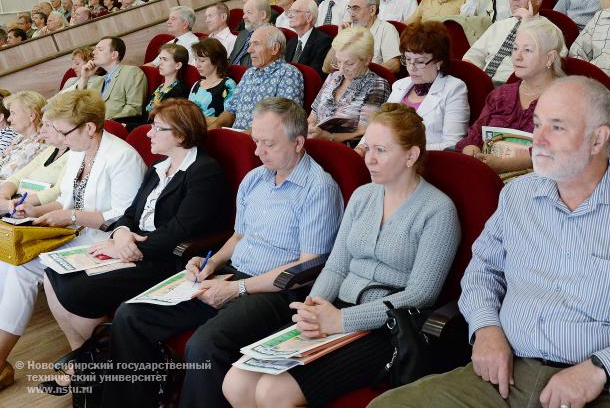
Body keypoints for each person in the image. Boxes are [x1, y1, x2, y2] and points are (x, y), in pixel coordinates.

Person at [371, 75, 610, 408]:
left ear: (598, 140)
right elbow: (483, 272)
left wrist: (601, 368)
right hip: (508, 374)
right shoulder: (517, 196)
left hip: (608, 388)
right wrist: (486, 328)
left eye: (557, 127)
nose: (537, 139)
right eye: (537, 124)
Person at [101, 97, 343, 408]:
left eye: (268, 144)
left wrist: (236, 288)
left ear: (298, 142)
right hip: (232, 276)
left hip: (276, 292)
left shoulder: (318, 189)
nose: (257, 152)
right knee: (131, 314)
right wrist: (212, 261)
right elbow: (239, 235)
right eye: (256, 142)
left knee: (204, 345)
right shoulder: (256, 178)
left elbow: (307, 267)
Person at [223, 102, 459, 408]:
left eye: (381, 151)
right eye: (367, 148)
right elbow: (336, 266)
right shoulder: (363, 196)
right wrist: (312, 307)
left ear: (411, 155)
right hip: (335, 311)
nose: (369, 159)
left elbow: (420, 295)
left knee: (272, 392)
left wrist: (341, 320)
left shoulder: (437, 210)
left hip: (386, 327)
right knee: (236, 383)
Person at [42, 100, 228, 374]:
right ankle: (89, 362)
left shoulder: (204, 171)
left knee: (76, 289)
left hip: (165, 260)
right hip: (135, 246)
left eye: (156, 128)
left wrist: (130, 249)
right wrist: (121, 235)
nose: (148, 134)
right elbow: (130, 213)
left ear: (180, 133)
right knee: (54, 274)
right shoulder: (158, 168)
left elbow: (180, 230)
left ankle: (100, 362)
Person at [0, 91, 145, 392]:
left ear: (89, 128)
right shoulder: (78, 152)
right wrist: (35, 210)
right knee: (18, 267)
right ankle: (78, 359)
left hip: (109, 241)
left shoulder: (122, 157)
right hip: (77, 237)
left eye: (64, 131)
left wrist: (72, 217)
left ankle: (93, 362)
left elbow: (124, 216)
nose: (61, 139)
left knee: (55, 278)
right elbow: (66, 201)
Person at [458, 21, 565, 175]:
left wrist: (506, 165)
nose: (517, 57)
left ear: (550, 58)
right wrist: (473, 152)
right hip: (488, 177)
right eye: (515, 48)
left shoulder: (564, 99)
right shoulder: (500, 95)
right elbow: (474, 136)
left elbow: (558, 150)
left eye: (527, 50)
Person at [362, 22, 469, 151]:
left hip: (427, 163)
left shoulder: (454, 88)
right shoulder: (400, 85)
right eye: (407, 59)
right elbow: (379, 124)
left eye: (419, 61)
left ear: (439, 61)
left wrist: (403, 151)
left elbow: (453, 144)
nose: (411, 68)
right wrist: (362, 147)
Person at [464, 0, 562, 85]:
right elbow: (472, 57)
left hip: (516, 90)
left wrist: (528, 26)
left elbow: (550, 71)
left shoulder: (551, 32)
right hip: (483, 86)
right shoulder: (499, 26)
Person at [212, 26, 303, 131]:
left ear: (275, 48)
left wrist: (243, 138)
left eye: (256, 44)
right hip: (237, 137)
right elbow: (230, 110)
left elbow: (284, 118)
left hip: (263, 141)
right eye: (250, 44)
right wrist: (214, 129)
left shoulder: (288, 74)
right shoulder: (249, 73)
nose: (249, 50)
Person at [309, 27, 390, 145]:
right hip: (316, 144)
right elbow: (313, 116)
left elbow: (364, 134)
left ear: (367, 59)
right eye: (339, 62)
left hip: (346, 153)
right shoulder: (333, 77)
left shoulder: (377, 86)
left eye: (349, 63)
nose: (341, 69)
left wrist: (328, 137)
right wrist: (311, 129)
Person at [0, 112, 69, 212]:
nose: (42, 130)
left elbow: (58, 192)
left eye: (48, 125)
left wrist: (15, 204)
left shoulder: (75, 154)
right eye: (42, 124)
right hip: (18, 206)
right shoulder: (51, 149)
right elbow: (16, 178)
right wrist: (3, 197)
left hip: (36, 212)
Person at [334, 0, 401, 72]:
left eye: (356, 8)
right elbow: (327, 67)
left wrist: (365, 74)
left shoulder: (386, 29)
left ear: (372, 10)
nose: (351, 14)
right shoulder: (349, 29)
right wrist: (340, 37)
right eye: (350, 9)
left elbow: (394, 64)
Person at [0, 91, 48, 180]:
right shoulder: (20, 138)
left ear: (31, 116)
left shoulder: (43, 145)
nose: (9, 119)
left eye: (13, 113)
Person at [189, 38, 237, 123]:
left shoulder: (228, 84)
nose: (197, 65)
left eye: (202, 61)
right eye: (196, 60)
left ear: (216, 61)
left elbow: (230, 119)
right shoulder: (196, 84)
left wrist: (199, 120)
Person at [286, 0, 332, 79]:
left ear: (309, 17)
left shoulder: (323, 42)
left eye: (295, 11)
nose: (290, 15)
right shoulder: (291, 43)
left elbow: (315, 76)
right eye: (290, 11)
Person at [230, 0, 271, 68]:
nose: (243, 17)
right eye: (244, 13)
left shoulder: (271, 36)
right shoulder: (242, 34)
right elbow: (232, 60)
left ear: (263, 15)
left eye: (248, 12)